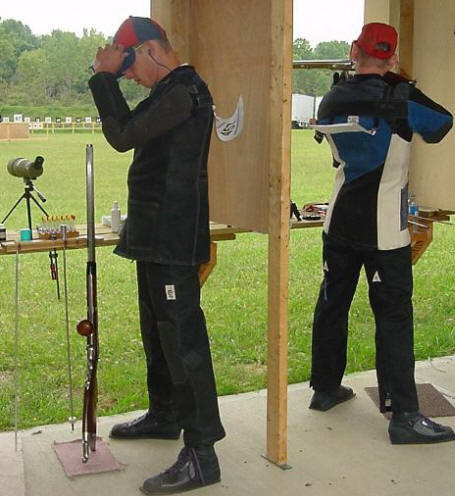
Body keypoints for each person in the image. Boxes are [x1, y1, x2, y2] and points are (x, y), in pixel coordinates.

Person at [88, 16, 224, 494]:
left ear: (149, 50)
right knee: (158, 331)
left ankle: (202, 453)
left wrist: (103, 78)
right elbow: (132, 131)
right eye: (122, 73)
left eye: (129, 67)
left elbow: (122, 135)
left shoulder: (184, 92)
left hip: (172, 237)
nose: (128, 76)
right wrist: (109, 75)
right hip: (155, 235)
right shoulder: (167, 93)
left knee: (183, 340)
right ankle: (165, 414)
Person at [309, 22, 455, 445]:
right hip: (384, 229)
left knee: (332, 303)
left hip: (339, 220)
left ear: (353, 52)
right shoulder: (401, 97)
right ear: (392, 58)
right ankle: (404, 414)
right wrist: (399, 83)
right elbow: (442, 124)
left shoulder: (333, 97)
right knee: (393, 317)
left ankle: (325, 388)